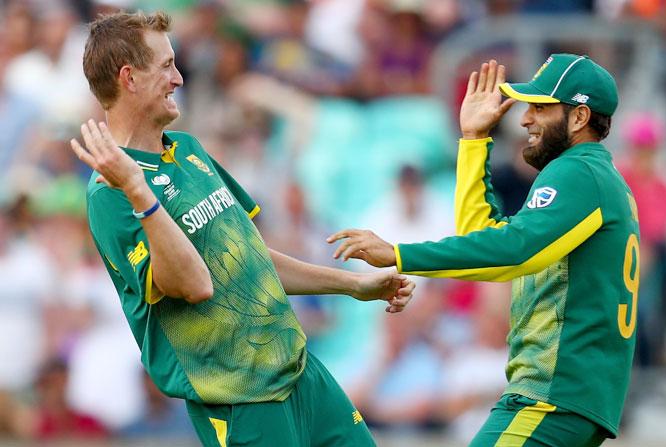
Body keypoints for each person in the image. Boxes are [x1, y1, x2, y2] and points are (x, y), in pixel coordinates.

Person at [69, 11, 415, 447]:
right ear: (129, 78)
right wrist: (139, 192)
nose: (178, 78)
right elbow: (195, 284)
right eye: (166, 66)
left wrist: (353, 285)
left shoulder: (189, 150)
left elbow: (252, 258)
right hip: (241, 401)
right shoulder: (111, 193)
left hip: (301, 374)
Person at [329, 54, 637, 446]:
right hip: (567, 397)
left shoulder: (577, 171)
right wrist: (474, 143)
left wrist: (398, 254)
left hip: (551, 397)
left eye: (540, 107)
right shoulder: (594, 176)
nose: (525, 118)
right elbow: (484, 242)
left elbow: (514, 251)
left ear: (578, 118)